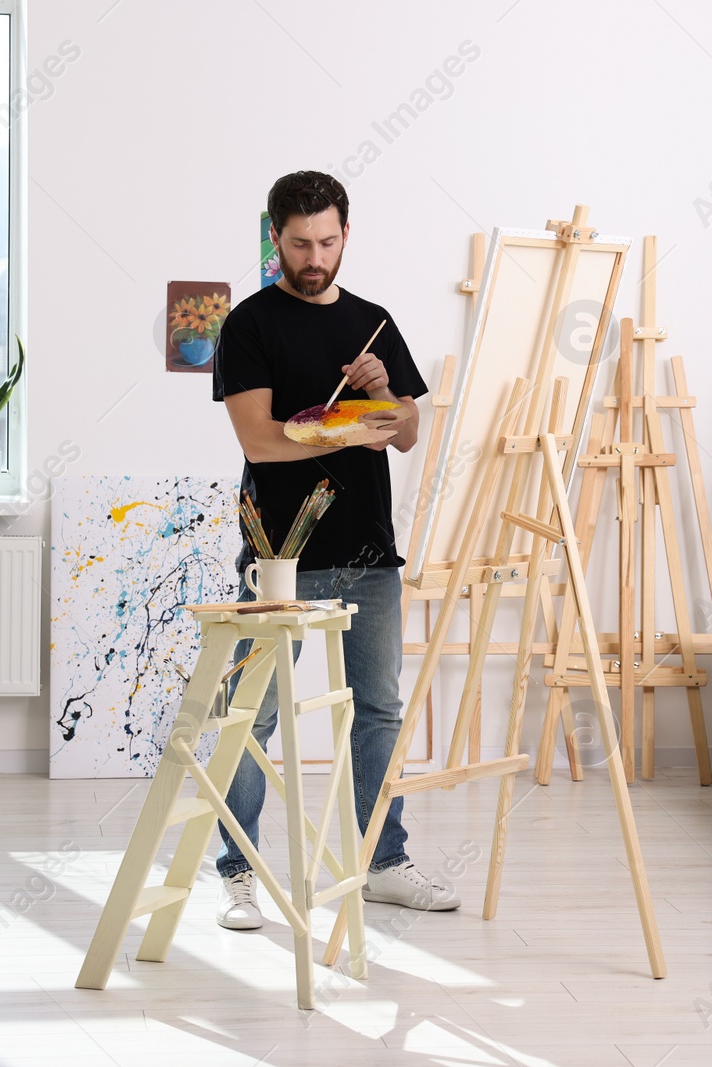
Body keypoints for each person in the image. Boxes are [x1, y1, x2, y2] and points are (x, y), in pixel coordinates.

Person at [209, 170, 460, 929]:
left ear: (346, 234)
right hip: (278, 553)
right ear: (273, 238)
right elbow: (257, 437)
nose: (313, 257)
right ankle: (240, 873)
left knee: (377, 712)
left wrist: (381, 393)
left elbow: (407, 431)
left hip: (370, 554)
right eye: (298, 243)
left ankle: (384, 864)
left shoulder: (373, 322)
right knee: (250, 718)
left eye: (326, 241)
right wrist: (343, 430)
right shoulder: (248, 325)